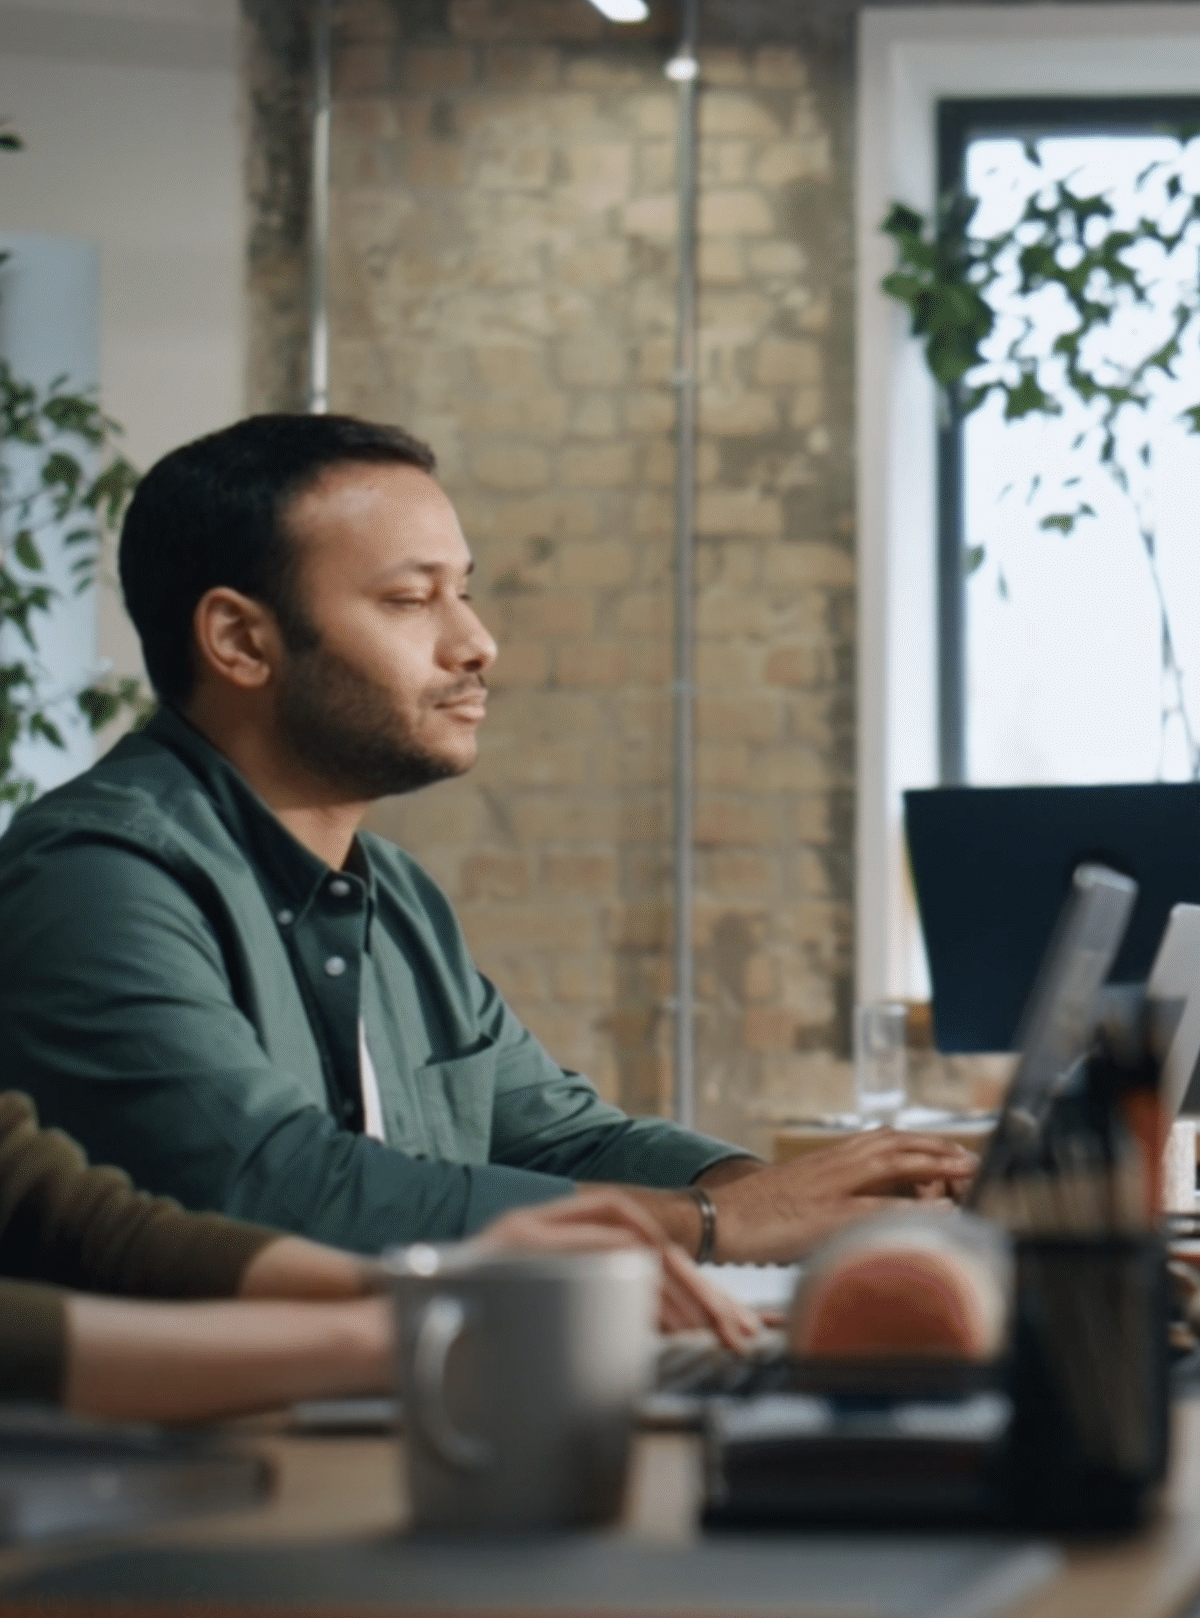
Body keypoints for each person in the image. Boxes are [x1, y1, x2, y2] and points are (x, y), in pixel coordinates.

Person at [0, 415, 974, 1257]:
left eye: (462, 588)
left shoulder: (394, 892)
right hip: (178, 1455)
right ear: (242, 641)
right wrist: (715, 1221)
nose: (476, 642)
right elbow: (273, 1189)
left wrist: (803, 1198)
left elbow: (557, 1137)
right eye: (410, 599)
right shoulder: (97, 879)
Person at [0, 1087, 753, 1422]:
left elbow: (68, 1217)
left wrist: (421, 1286)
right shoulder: (103, 867)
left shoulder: (399, 896)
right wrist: (409, 1334)